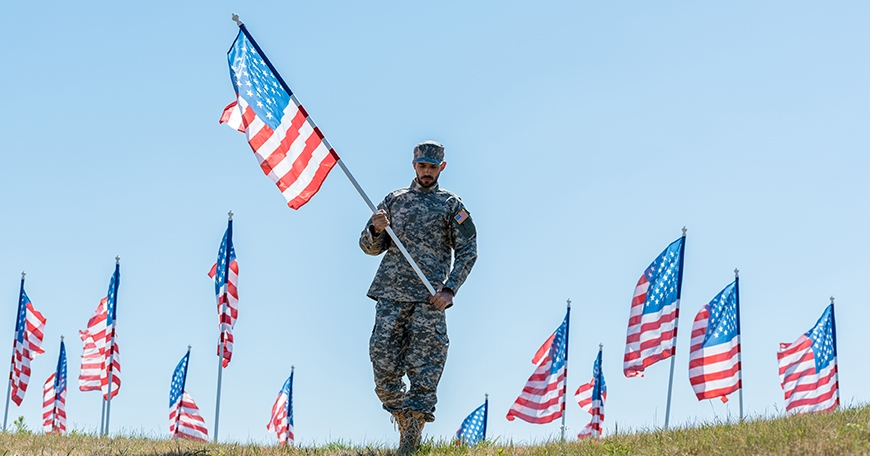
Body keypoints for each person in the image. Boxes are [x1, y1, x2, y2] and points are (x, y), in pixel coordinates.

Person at [359, 140, 478, 454]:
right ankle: (400, 416)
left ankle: (412, 433)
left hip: (429, 300)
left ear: (442, 167)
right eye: (422, 166)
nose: (427, 172)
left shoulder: (451, 205)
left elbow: (468, 250)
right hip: (390, 295)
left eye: (433, 167)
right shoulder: (395, 201)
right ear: (414, 165)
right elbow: (368, 247)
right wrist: (375, 228)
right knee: (382, 364)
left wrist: (450, 288)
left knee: (425, 369)